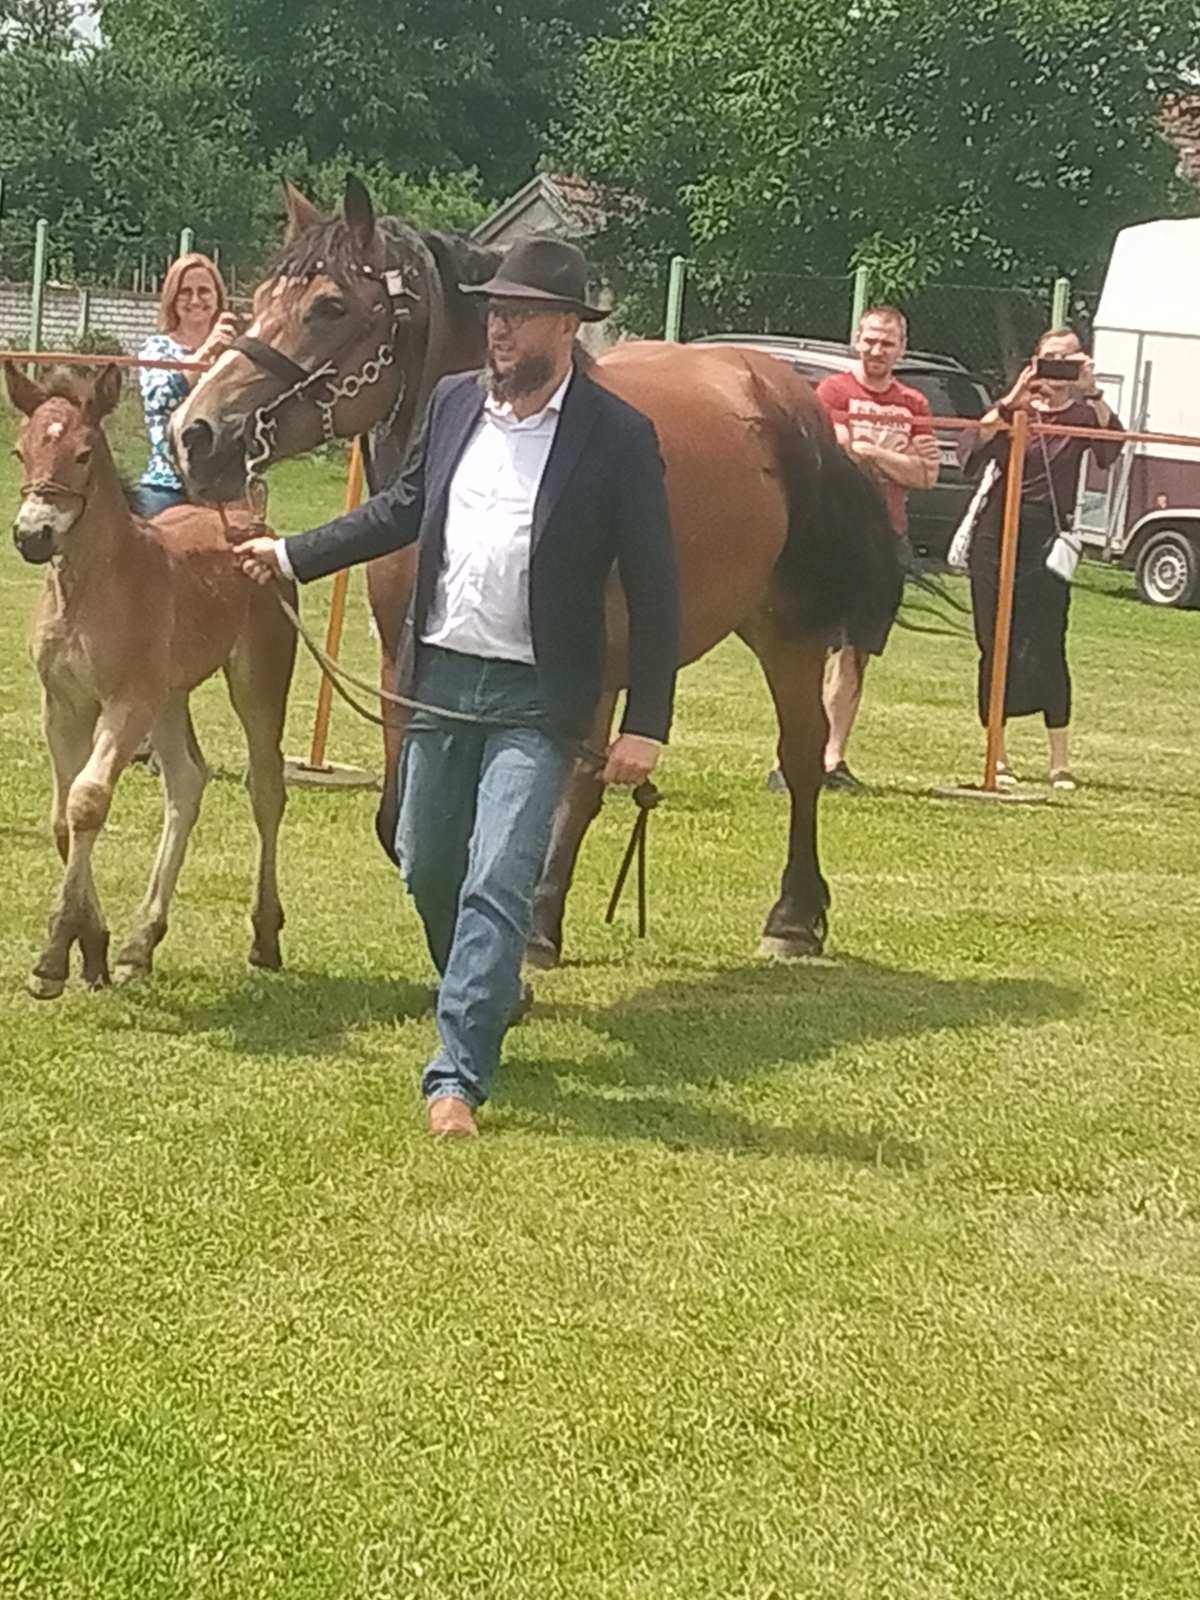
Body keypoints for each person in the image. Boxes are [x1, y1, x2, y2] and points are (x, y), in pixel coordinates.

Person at [235, 237, 680, 1139]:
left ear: (564, 327)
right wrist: (291, 554)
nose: (498, 327)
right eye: (492, 312)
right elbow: (402, 509)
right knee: (423, 856)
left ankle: (458, 1075)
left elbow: (656, 583)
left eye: (516, 314)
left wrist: (648, 722)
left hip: (537, 698)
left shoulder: (619, 437)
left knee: (497, 877)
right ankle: (489, 983)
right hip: (441, 679)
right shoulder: (449, 406)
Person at [961, 328, 1122, 790]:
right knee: (994, 643)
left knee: (1050, 644)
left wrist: (1092, 392)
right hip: (997, 536)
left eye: (1065, 360)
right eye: (1048, 358)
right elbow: (972, 447)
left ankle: (1060, 760)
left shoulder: (1082, 413)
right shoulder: (1017, 410)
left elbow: (1112, 448)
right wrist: (1013, 397)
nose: (1055, 367)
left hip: (1049, 541)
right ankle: (999, 754)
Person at [812, 306, 940, 791]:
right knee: (815, 646)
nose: (876, 350)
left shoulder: (915, 403)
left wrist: (870, 451)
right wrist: (895, 458)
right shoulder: (834, 393)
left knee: (857, 652)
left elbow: (926, 476)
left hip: (887, 536)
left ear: (901, 349)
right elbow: (839, 453)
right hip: (835, 532)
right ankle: (797, 752)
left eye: (887, 342)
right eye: (869, 340)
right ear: (856, 341)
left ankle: (833, 757)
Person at [135, 252, 239, 518]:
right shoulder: (156, 348)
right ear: (171, 298)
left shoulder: (237, 351)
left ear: (218, 297)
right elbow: (161, 398)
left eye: (204, 290)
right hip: (167, 483)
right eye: (185, 292)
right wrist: (206, 352)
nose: (195, 300)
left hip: (226, 487)